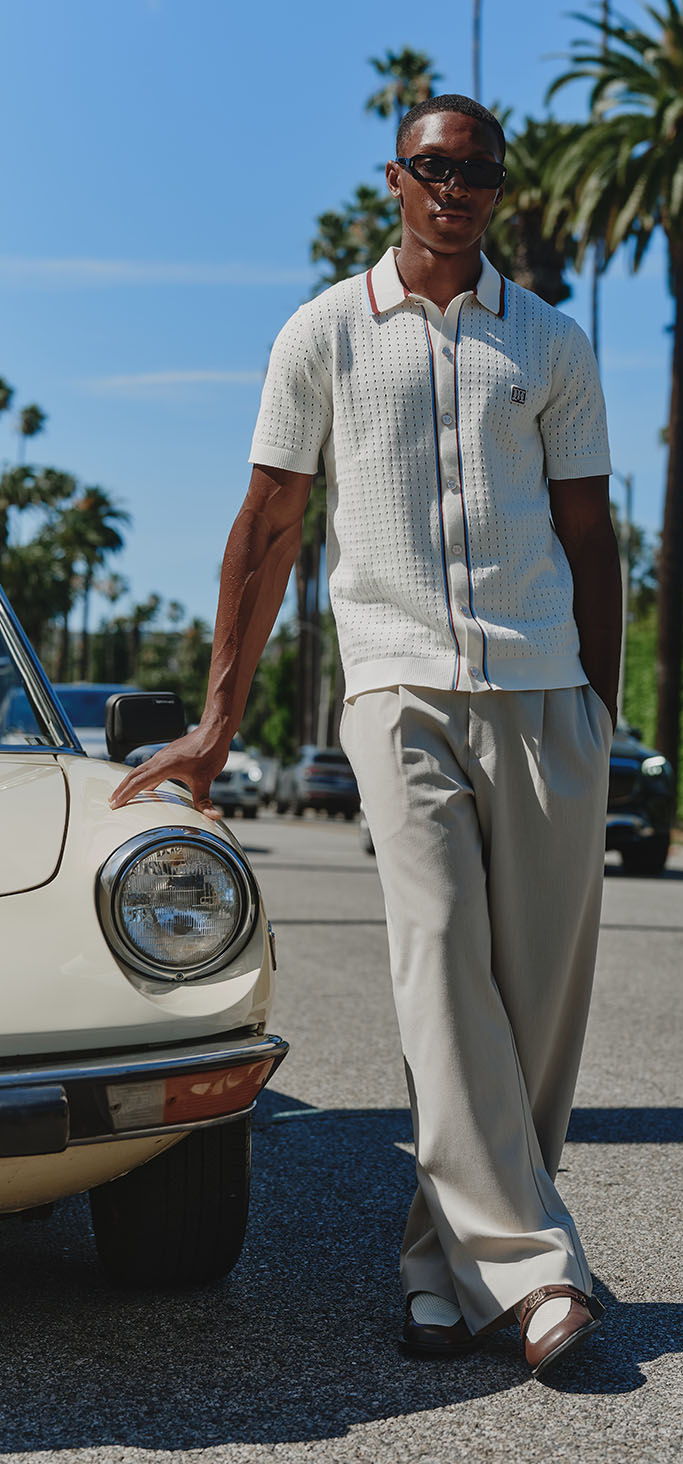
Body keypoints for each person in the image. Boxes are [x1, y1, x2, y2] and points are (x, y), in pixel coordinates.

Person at [111, 93, 621, 1380]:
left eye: (481, 171)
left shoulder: (550, 342)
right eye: (437, 166)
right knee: (442, 961)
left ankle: (441, 1276)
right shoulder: (325, 333)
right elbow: (268, 527)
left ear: (500, 191)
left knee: (533, 1010)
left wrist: (598, 711)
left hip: (545, 696)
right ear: (394, 177)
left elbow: (589, 539)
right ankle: (539, 1271)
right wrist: (216, 723)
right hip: (396, 693)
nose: (459, 187)